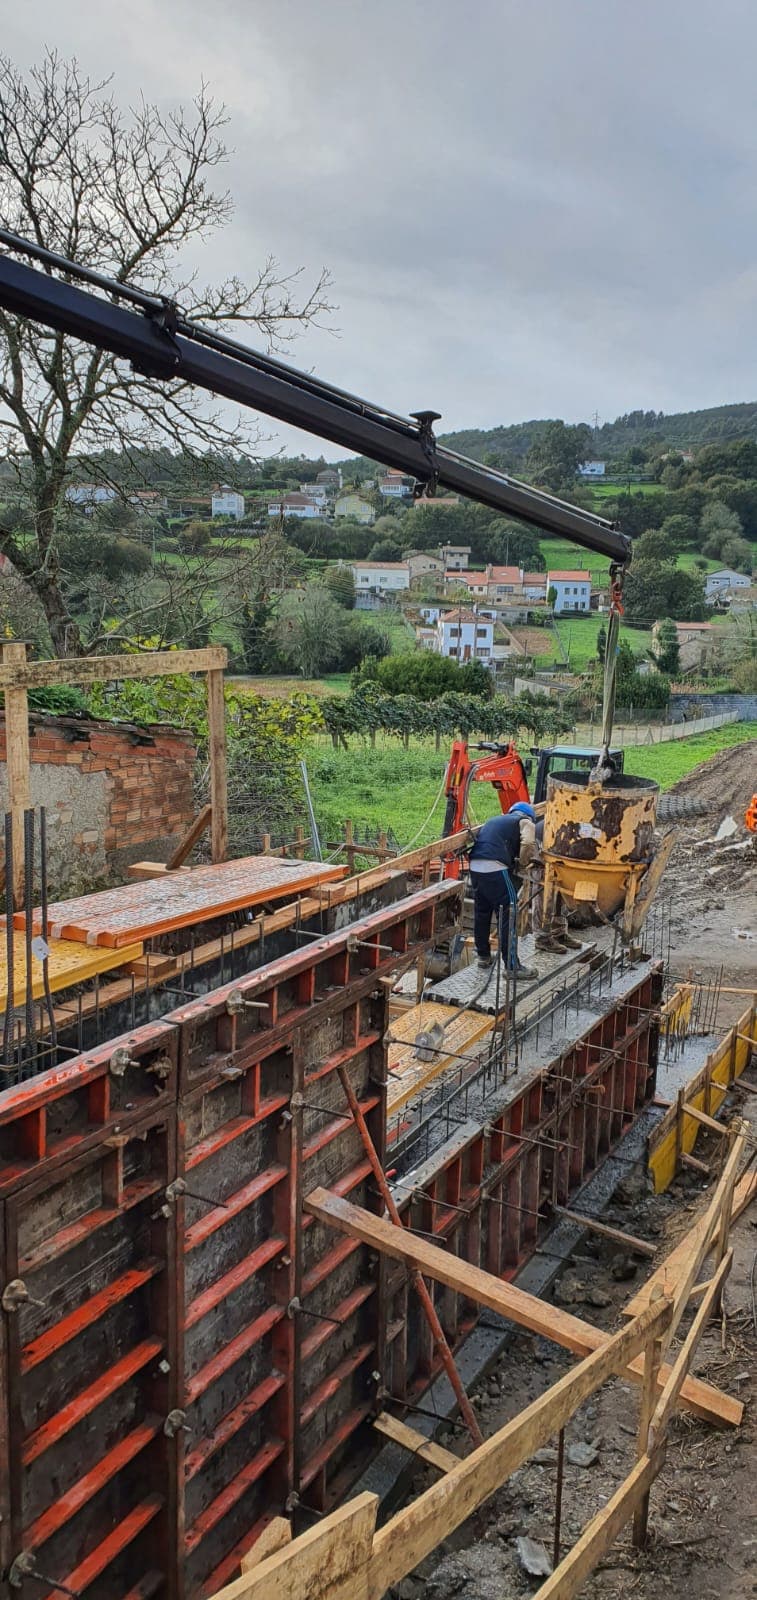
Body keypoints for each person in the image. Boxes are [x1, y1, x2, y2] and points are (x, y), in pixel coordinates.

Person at [468, 802, 538, 976]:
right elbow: (528, 843)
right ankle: (512, 966)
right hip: (496, 867)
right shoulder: (525, 820)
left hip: (475, 867)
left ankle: (483, 956)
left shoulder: (494, 820)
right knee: (509, 912)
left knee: (482, 912)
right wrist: (523, 863)